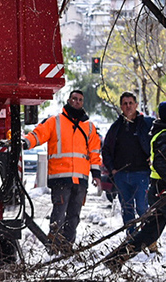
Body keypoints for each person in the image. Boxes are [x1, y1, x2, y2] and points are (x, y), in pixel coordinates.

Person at [106, 100, 166, 280]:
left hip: (162, 191)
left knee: (150, 233)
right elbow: (159, 161)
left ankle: (115, 260)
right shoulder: (164, 136)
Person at [23, 89, 102, 252]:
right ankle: (53, 247)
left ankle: (67, 247)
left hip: (80, 180)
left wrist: (96, 174)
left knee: (74, 216)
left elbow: (94, 153)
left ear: (83, 103)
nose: (77, 101)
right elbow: (38, 134)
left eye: (80, 99)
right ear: (68, 100)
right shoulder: (55, 121)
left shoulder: (89, 127)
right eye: (74, 98)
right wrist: (26, 142)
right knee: (58, 215)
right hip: (60, 178)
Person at [102, 91, 154, 233]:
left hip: (142, 174)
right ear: (121, 106)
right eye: (125, 103)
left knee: (143, 207)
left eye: (131, 103)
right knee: (127, 209)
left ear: (136, 105)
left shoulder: (147, 123)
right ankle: (131, 240)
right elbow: (105, 150)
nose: (128, 106)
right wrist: (112, 169)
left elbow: (159, 139)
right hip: (121, 176)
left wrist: (153, 156)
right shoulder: (116, 128)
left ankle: (148, 238)